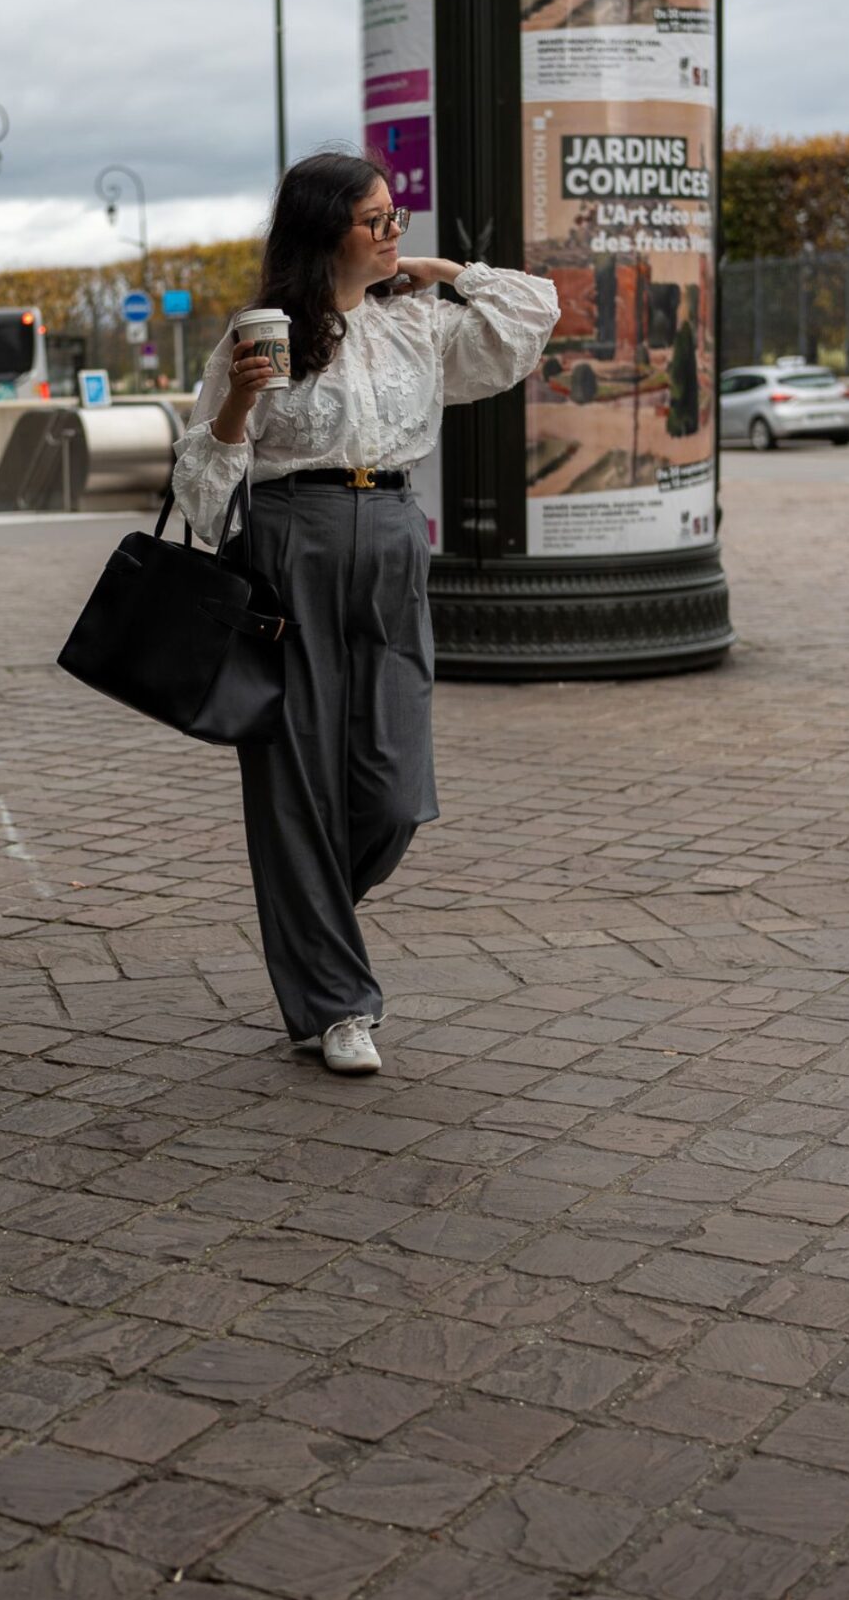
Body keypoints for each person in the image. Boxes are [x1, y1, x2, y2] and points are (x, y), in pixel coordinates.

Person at [172, 151, 559, 1077]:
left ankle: (305, 918)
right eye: (375, 222)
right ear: (323, 235)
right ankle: (337, 1006)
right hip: (288, 548)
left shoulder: (415, 323)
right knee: (295, 777)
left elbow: (531, 315)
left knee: (392, 790)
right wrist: (238, 403)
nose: (393, 232)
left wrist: (441, 270)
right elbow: (200, 491)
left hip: (390, 538)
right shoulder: (257, 337)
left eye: (396, 217)